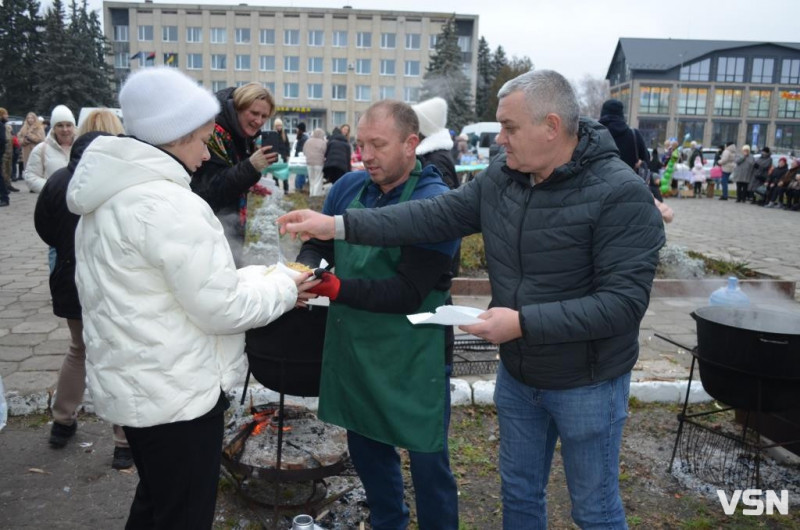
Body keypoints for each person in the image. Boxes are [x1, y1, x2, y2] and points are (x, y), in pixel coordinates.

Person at [279, 69, 666, 529]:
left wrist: (522, 323)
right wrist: (336, 226)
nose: (500, 139)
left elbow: (622, 305)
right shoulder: (504, 177)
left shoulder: (621, 195)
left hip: (588, 380)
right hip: (521, 375)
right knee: (520, 498)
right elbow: (430, 217)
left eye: (509, 127)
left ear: (552, 127)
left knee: (594, 509)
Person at [66, 67, 317, 529]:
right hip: (177, 398)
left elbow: (179, 288)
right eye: (203, 140)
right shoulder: (170, 205)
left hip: (140, 388)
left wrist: (266, 274)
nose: (207, 153)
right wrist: (284, 287)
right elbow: (221, 308)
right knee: (183, 514)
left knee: (156, 502)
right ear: (174, 135)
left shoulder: (111, 196)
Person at [294, 100, 460, 530]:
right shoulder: (348, 187)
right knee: (367, 449)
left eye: (377, 145)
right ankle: (389, 521)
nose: (365, 155)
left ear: (411, 144)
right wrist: (307, 269)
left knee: (427, 462)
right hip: (357, 348)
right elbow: (321, 244)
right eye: (360, 143)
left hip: (413, 353)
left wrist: (337, 288)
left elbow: (408, 291)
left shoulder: (436, 202)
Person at [33, 110, 132, 468]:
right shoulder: (124, 183)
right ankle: (123, 442)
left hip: (69, 279)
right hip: (112, 283)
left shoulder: (59, 180)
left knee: (78, 349)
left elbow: (44, 230)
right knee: (118, 356)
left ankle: (62, 422)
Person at [190, 82, 280, 263]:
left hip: (229, 226)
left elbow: (230, 174)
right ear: (237, 108)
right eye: (254, 113)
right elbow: (209, 191)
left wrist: (251, 181)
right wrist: (250, 167)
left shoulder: (240, 133)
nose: (259, 121)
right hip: (210, 230)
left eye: (264, 116)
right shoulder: (214, 133)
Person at [24, 104, 75, 193]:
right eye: (60, 125)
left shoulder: (84, 148)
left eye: (68, 125)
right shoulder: (41, 149)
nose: (65, 129)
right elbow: (30, 176)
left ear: (73, 126)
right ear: (53, 128)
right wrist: (52, 188)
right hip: (53, 202)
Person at [413, 97, 458, 190]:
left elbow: (446, 195)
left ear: (423, 129)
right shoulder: (434, 154)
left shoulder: (435, 158)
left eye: (415, 125)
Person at [598, 98, 650, 170]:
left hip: (597, 179)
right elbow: (646, 160)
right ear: (621, 114)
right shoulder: (634, 135)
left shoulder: (594, 134)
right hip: (629, 179)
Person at [302, 128, 326, 197]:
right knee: (318, 180)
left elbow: (304, 151)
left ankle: (311, 194)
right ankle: (316, 196)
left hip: (309, 163)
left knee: (311, 179)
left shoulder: (308, 141)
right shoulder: (323, 142)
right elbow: (325, 152)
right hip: (319, 163)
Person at [270, 117, 291, 193]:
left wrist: (288, 155)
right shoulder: (273, 134)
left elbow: (287, 145)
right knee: (275, 174)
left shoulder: (284, 133)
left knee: (285, 173)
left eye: (280, 125)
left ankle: (286, 189)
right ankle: (276, 189)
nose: (279, 127)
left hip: (283, 156)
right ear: (275, 126)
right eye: (277, 126)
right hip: (275, 157)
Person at [1, 108, 18, 193]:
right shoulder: (2, 126)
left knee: (8, 169)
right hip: (3, 153)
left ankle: (8, 184)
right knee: (3, 170)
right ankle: (4, 187)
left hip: (9, 152)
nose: (7, 116)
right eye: (5, 114)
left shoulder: (7, 127)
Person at [294, 122, 310, 191]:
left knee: (300, 174)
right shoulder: (302, 137)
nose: (296, 130)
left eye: (297, 129)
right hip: (300, 158)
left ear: (300, 129)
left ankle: (299, 188)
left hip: (302, 159)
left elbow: (302, 149)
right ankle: (299, 188)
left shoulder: (304, 138)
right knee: (300, 174)